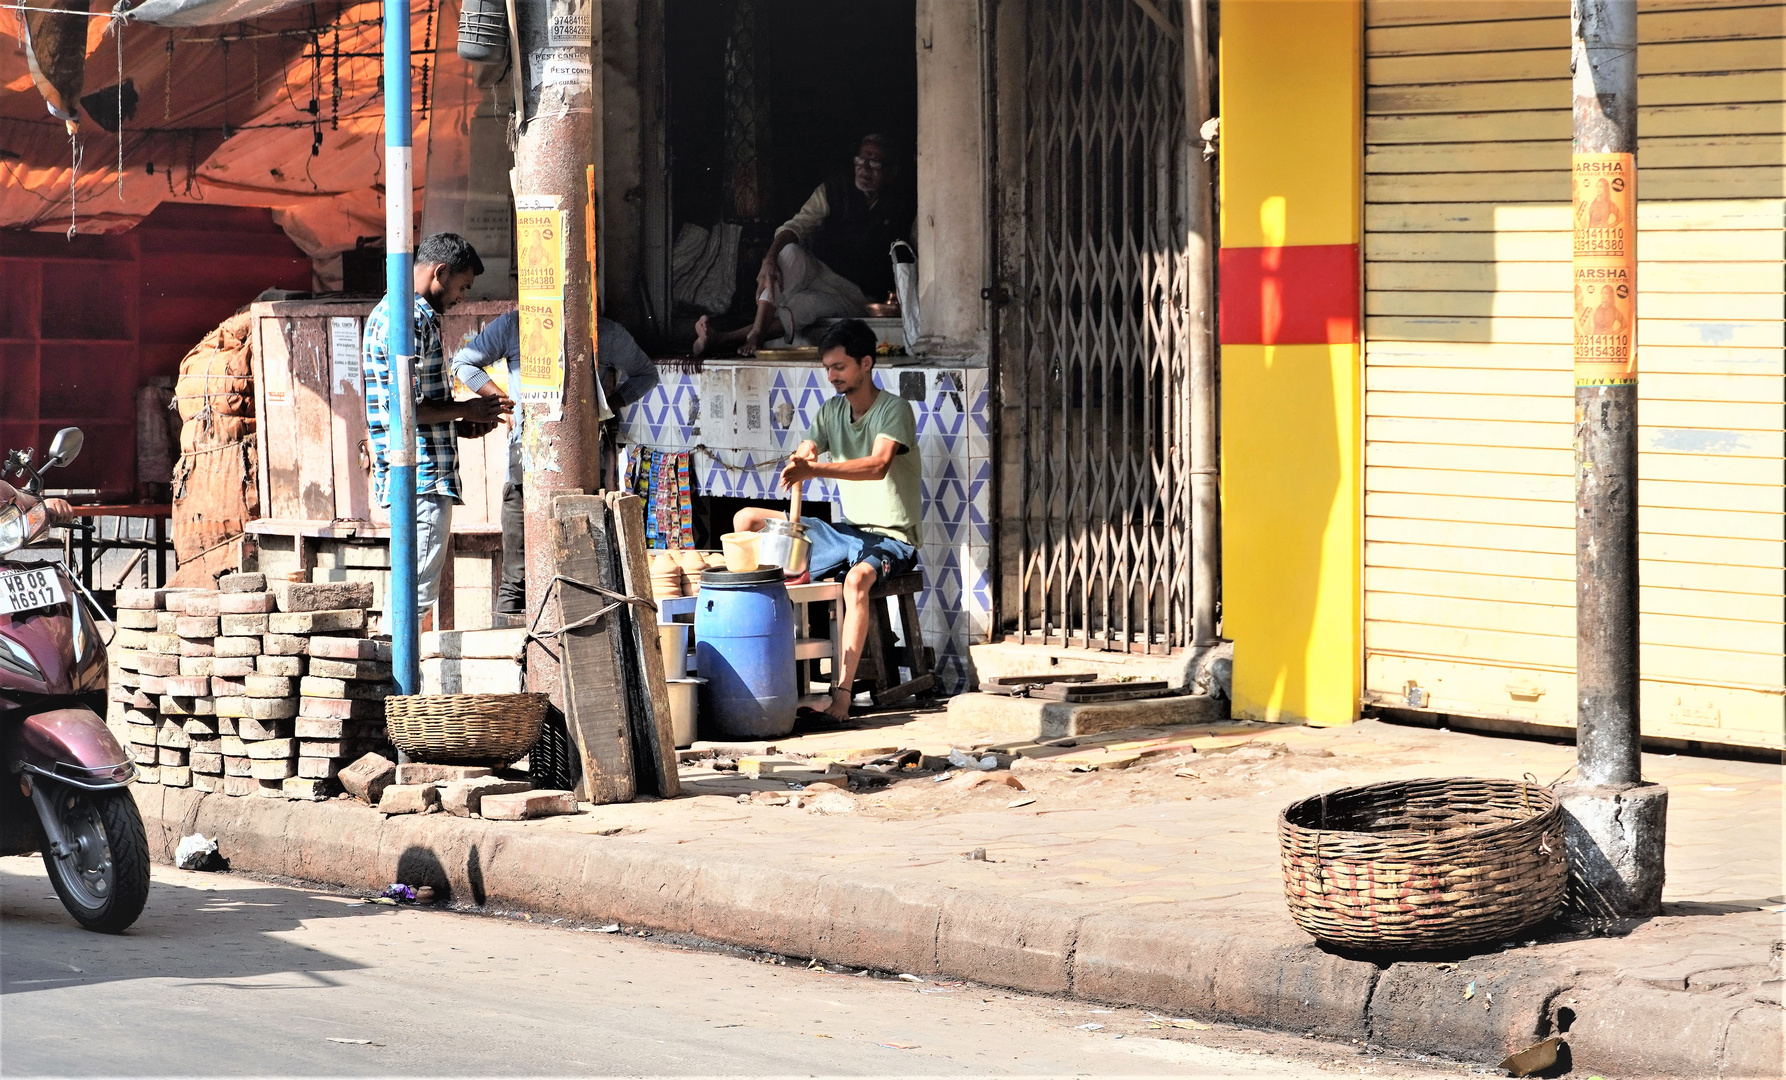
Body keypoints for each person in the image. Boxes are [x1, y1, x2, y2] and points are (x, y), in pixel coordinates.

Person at [733, 319, 920, 719]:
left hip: (892, 540)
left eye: (840, 367)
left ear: (866, 363)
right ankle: (771, 673)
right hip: (845, 534)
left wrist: (814, 472)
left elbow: (878, 465)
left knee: (856, 581)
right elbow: (807, 452)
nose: (832, 376)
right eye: (828, 369)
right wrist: (801, 460)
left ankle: (842, 696)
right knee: (747, 519)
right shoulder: (831, 411)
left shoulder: (894, 410)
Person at [451, 311, 659, 616]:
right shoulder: (515, 325)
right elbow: (462, 363)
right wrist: (502, 401)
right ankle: (510, 650)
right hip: (525, 461)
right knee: (516, 580)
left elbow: (646, 374)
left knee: (580, 572)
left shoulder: (604, 331)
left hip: (583, 463)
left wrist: (607, 406)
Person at [362, 233, 511, 630]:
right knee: (416, 595)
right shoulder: (410, 319)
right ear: (439, 273)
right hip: (422, 480)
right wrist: (467, 407)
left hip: (416, 471)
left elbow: (412, 409)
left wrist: (459, 426)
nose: (461, 297)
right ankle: (398, 685)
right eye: (461, 286)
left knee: (410, 590)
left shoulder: (396, 313)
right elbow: (403, 408)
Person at [694, 134, 914, 357]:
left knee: (805, 306)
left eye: (875, 164)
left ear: (891, 172)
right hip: (818, 271)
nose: (864, 169)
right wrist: (769, 259)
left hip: (854, 295)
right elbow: (798, 224)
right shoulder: (835, 188)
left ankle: (723, 339)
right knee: (788, 252)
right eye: (860, 160)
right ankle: (757, 331)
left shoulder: (903, 204)